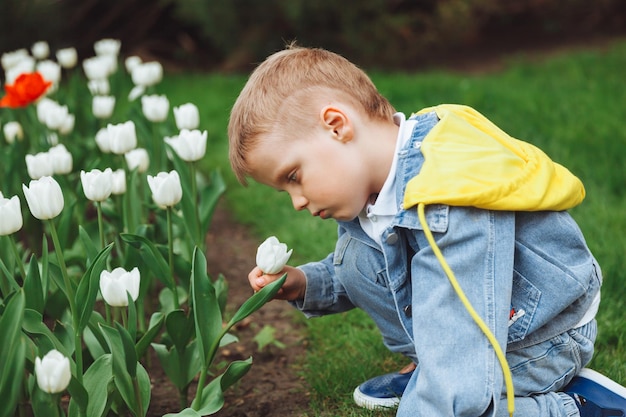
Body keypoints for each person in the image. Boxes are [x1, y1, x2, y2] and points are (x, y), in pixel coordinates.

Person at [227, 43, 626, 417]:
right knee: (357, 255)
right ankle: (431, 373)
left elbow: (462, 325)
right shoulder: (371, 191)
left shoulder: (449, 191)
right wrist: (305, 283)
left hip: (541, 339)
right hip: (480, 324)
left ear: (336, 125)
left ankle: (575, 406)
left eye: (294, 176)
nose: (296, 201)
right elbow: (379, 266)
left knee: (463, 404)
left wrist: (433, 402)